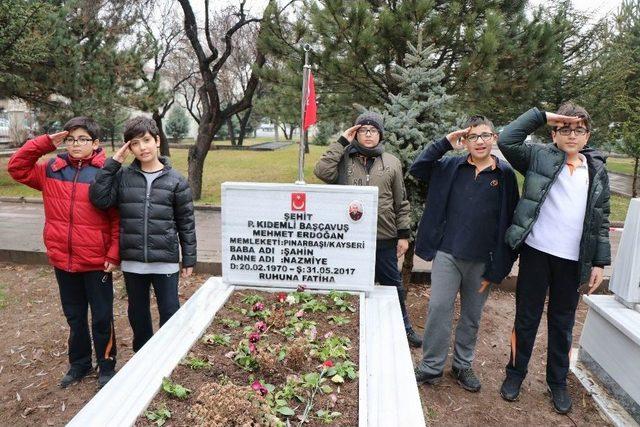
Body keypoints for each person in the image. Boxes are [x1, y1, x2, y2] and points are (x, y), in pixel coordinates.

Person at [497, 103, 611, 414]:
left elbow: (601, 218)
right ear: (554, 133)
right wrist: (544, 115)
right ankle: (515, 374)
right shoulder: (538, 156)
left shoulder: (597, 170)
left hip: (573, 262)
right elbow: (507, 139)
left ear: (587, 136)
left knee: (562, 324)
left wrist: (599, 262)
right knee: (526, 319)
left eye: (579, 129)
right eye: (565, 128)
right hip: (536, 253)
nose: (572, 135)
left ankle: (557, 381)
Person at [410, 116, 519, 392]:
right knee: (438, 309)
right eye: (473, 136)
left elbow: (510, 220)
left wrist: (500, 268)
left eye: (485, 136)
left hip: (483, 260)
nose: (480, 142)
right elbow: (418, 168)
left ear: (494, 138)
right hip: (448, 253)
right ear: (465, 140)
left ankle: (462, 365)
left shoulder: (504, 174)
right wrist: (445, 142)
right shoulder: (450, 166)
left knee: (472, 315)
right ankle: (431, 366)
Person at [8, 117, 119, 388]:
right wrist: (44, 142)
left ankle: (106, 366)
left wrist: (114, 254)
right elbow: (17, 167)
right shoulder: (51, 170)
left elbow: (118, 219)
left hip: (96, 261)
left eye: (83, 139)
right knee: (75, 315)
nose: (76, 144)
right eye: (71, 139)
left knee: (102, 315)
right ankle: (79, 363)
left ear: (95, 143)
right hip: (63, 259)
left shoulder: (107, 172)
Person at [313, 111, 422, 347]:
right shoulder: (344, 159)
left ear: (380, 134)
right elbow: (321, 171)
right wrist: (342, 142)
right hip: (350, 240)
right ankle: (349, 330)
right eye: (363, 130)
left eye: (373, 130)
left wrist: (403, 235)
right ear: (355, 133)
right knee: (350, 287)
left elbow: (400, 202)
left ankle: (404, 327)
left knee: (393, 286)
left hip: (383, 238)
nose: (368, 134)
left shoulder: (392, 162)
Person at [89, 116, 196, 352]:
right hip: (133, 261)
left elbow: (186, 222)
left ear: (157, 141)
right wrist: (114, 162)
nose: (142, 147)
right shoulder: (123, 177)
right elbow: (99, 199)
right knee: (138, 314)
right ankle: (143, 355)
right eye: (135, 143)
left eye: (146, 140)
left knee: (169, 310)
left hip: (165, 261)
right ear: (129, 148)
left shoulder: (176, 181)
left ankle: (169, 355)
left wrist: (189, 257)